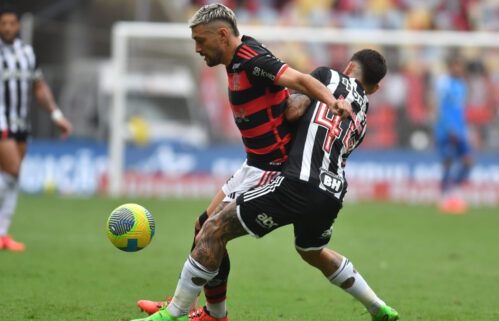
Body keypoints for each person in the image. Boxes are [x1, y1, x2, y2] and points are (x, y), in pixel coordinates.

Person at [130, 49, 400, 321]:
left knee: (212, 228)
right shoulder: (363, 116)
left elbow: (293, 111)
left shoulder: (327, 77)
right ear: (375, 88)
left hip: (298, 183)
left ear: (350, 66)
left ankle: (176, 314)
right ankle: (377, 307)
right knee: (312, 252)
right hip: (332, 193)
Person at [0, 4, 72, 251]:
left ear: (18, 25)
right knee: (11, 170)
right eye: (3, 24)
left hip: (21, 122)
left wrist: (56, 115)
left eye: (11, 23)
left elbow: (38, 87)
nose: (8, 28)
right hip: (2, 122)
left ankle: (2, 235)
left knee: (13, 177)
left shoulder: (27, 53)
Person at [434, 54, 473, 214]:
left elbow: (460, 110)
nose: (459, 69)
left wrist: (463, 128)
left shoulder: (462, 84)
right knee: (448, 162)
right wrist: (449, 129)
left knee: (468, 161)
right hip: (446, 130)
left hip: (460, 129)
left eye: (461, 66)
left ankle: (455, 190)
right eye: (456, 66)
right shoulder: (444, 84)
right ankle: (444, 196)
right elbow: (440, 108)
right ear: (451, 67)